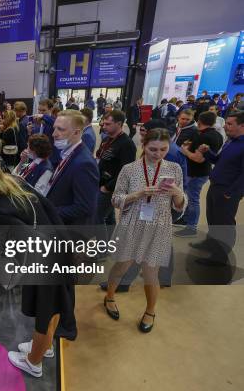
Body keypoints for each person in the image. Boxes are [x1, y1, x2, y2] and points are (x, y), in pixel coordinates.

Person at [0, 152, 74, 378]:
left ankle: (34, 361)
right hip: (58, 244)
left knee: (46, 311)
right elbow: (49, 208)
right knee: (53, 307)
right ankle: (45, 346)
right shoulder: (15, 181)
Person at [104, 128, 186, 333]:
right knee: (122, 266)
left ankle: (150, 310)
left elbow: (179, 205)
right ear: (144, 146)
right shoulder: (129, 169)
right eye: (152, 149)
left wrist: (177, 192)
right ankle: (109, 296)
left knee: (152, 272)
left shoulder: (175, 168)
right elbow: (116, 199)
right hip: (132, 223)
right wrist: (137, 194)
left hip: (159, 225)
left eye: (163, 149)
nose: (157, 154)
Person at [189, 111, 244, 266]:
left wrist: (231, 193)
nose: (225, 126)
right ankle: (211, 244)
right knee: (213, 220)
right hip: (215, 187)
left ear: (242, 125)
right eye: (226, 123)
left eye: (230, 124)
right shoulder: (230, 141)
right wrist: (208, 153)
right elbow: (218, 160)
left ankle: (220, 258)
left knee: (224, 224)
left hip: (227, 191)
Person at [46, 110, 99, 225]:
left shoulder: (84, 164)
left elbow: (85, 207)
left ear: (76, 133)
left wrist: (49, 211)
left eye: (60, 129)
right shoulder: (67, 152)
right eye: (55, 128)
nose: (54, 134)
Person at [175, 111, 224, 237]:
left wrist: (185, 151)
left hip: (196, 173)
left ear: (199, 121)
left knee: (193, 200)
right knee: (190, 197)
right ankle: (186, 219)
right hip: (202, 171)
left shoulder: (204, 137)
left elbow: (198, 158)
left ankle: (191, 227)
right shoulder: (217, 135)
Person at [95, 110, 137, 240]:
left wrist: (108, 187)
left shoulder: (126, 144)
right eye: (103, 123)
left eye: (108, 124)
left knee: (97, 218)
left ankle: (101, 250)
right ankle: (110, 243)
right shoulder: (108, 139)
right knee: (108, 217)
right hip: (102, 183)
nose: (104, 126)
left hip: (111, 187)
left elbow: (126, 171)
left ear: (119, 124)